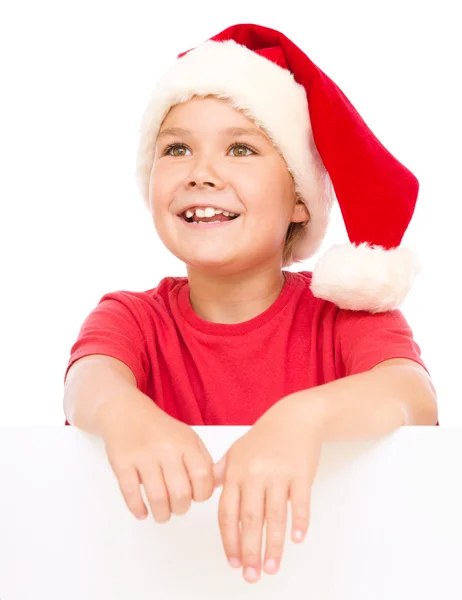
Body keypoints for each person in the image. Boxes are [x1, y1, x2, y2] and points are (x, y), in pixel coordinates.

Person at [62, 23, 438, 585]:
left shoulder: (345, 317)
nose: (201, 172)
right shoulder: (131, 317)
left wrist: (301, 419)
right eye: (177, 148)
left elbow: (413, 397)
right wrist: (122, 411)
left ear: (300, 202)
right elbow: (88, 380)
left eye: (241, 148)